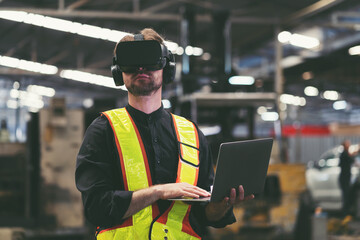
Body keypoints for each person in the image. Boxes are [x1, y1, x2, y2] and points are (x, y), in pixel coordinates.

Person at [75, 28, 254, 240]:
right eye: (132, 61)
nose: (141, 68)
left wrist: (222, 205)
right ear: (118, 71)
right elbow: (97, 208)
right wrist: (158, 192)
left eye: (150, 60)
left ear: (166, 68)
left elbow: (204, 215)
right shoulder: (104, 130)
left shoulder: (192, 135)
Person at [338, 139, 359, 215]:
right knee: (345, 196)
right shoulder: (344, 154)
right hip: (344, 178)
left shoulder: (345, 154)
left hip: (345, 178)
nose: (349, 145)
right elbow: (352, 160)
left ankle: (345, 213)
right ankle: (345, 214)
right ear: (344, 146)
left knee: (346, 196)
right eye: (348, 144)